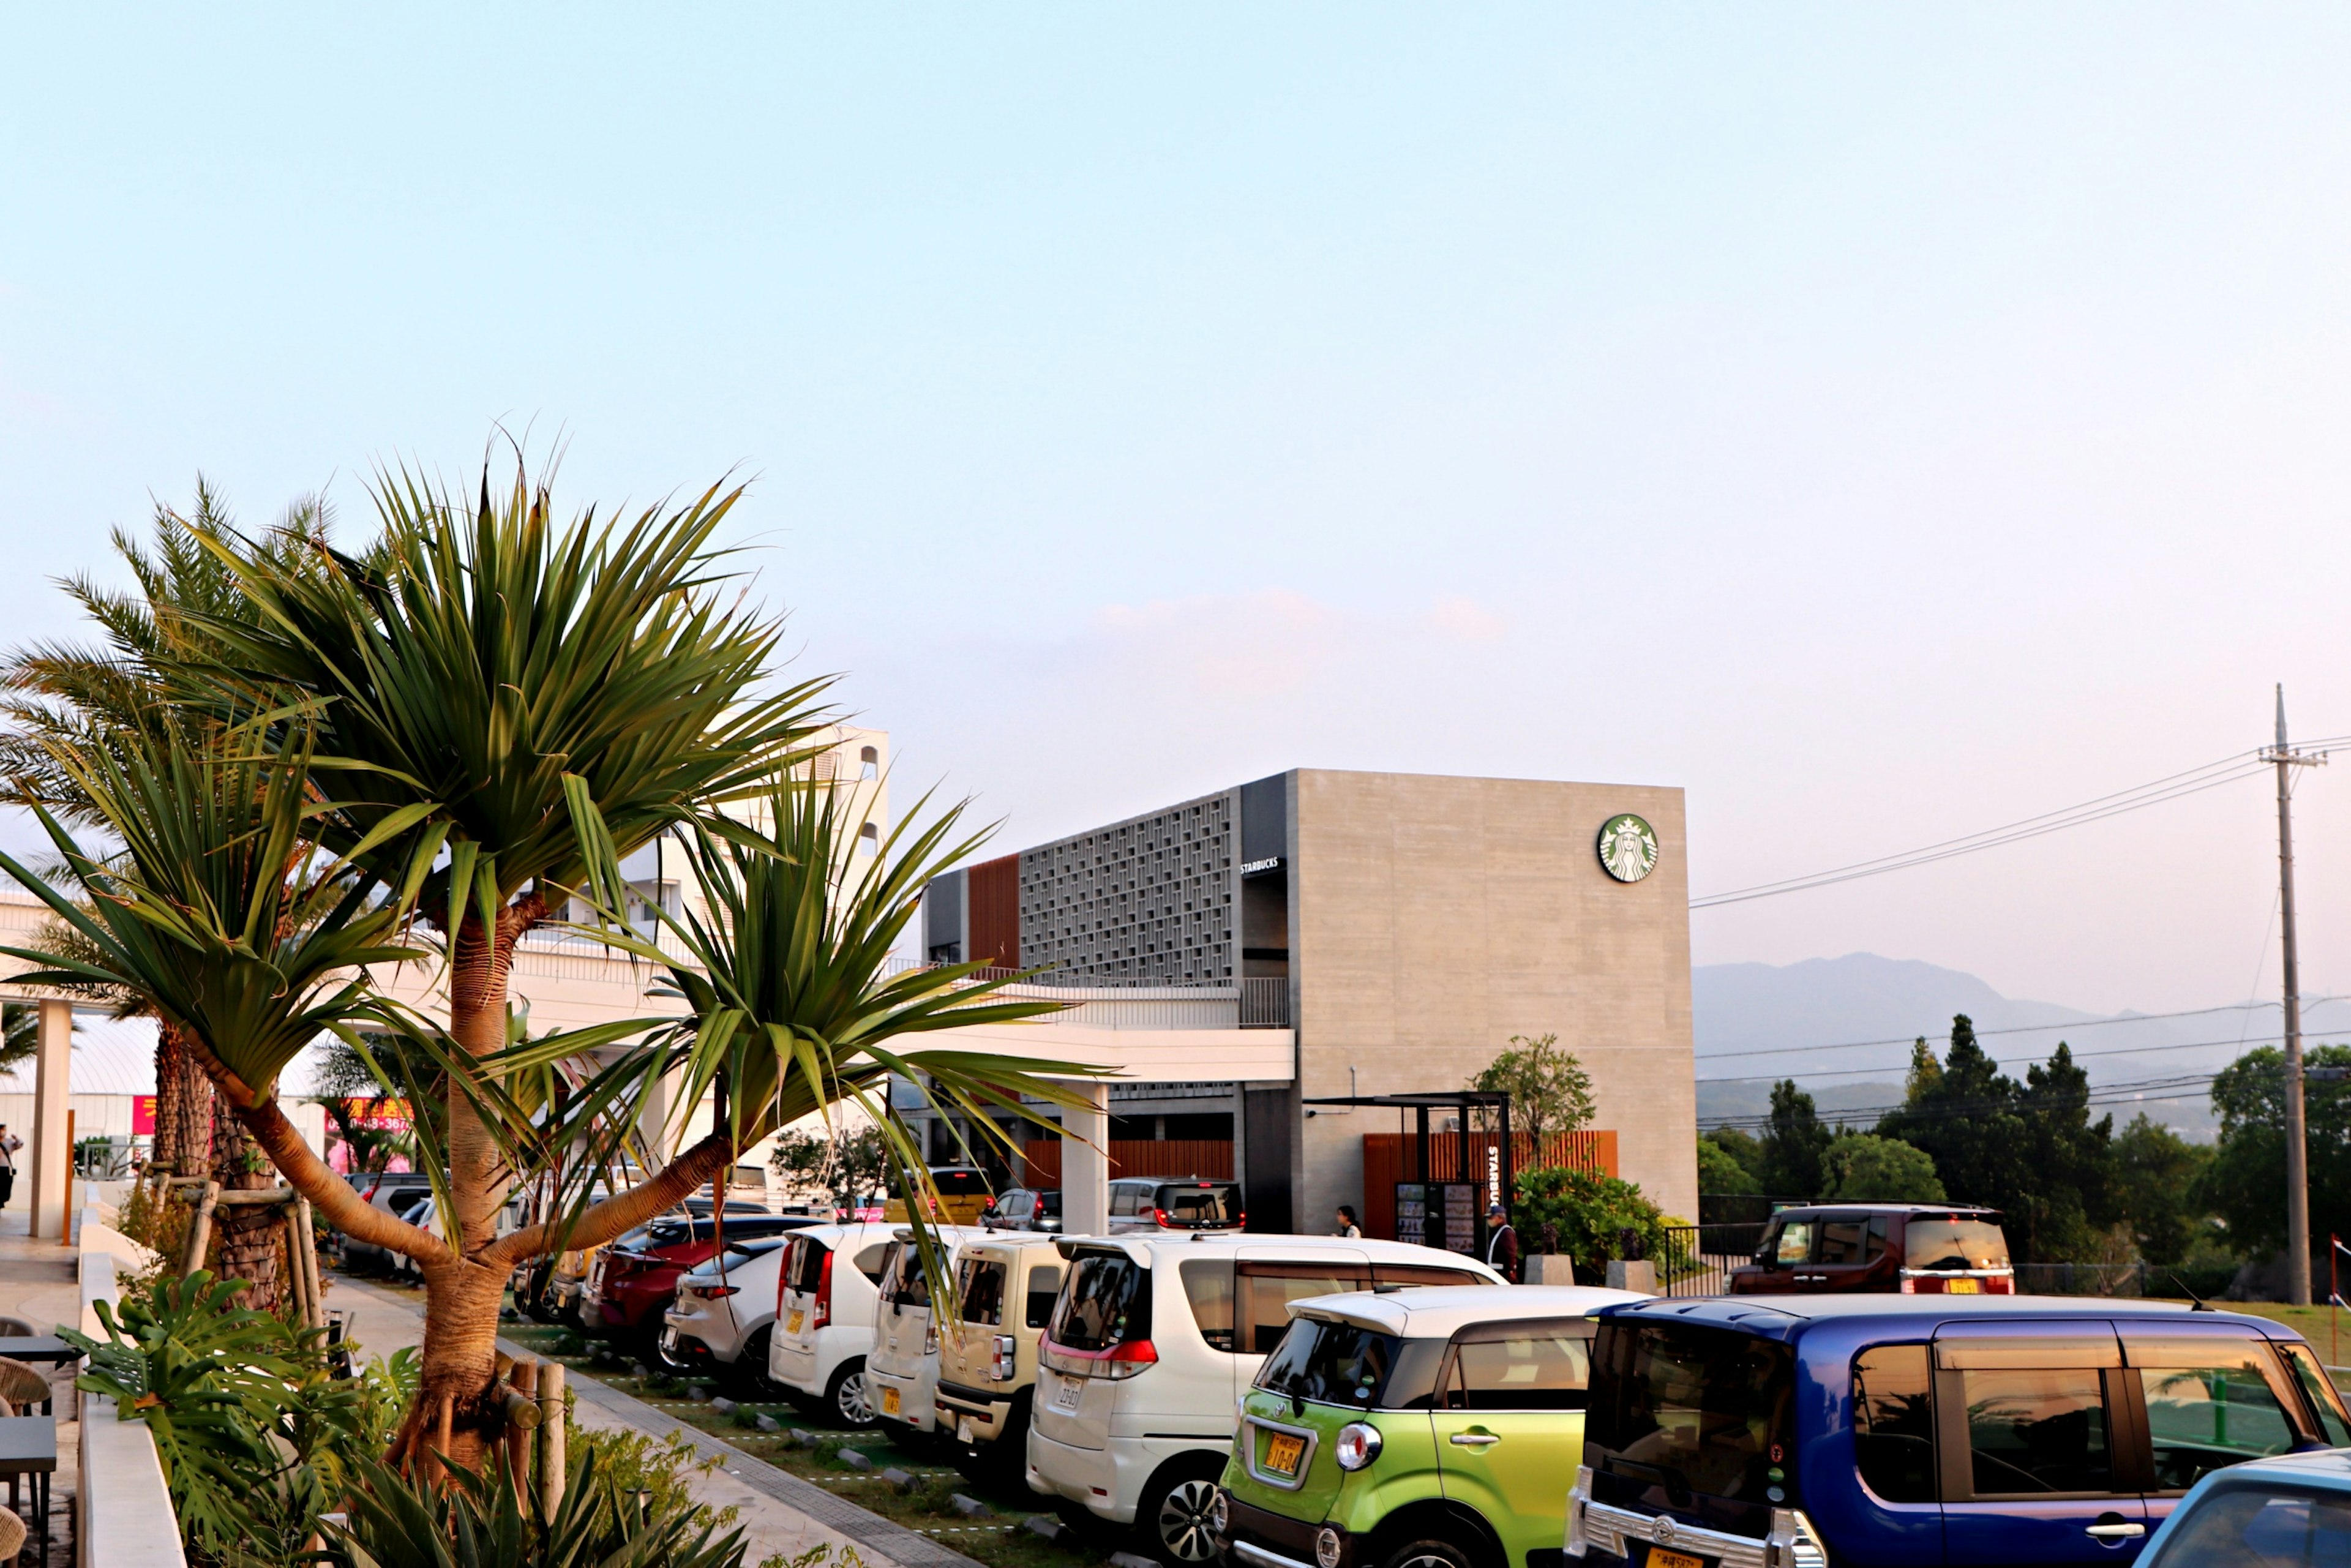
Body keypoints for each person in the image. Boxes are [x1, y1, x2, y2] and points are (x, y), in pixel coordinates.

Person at [1485, 1202, 1519, 1283]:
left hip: (1503, 1275)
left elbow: (1510, 1254)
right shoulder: (1497, 1231)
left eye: (1491, 1218)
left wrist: (1511, 1271)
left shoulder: (1506, 1233)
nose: (1489, 1220)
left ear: (1500, 1218)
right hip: (1495, 1273)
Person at [0, 1125, 20, 1210]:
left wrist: (16, 1139)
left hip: (6, 1169)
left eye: (4, 1130)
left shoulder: (9, 1142)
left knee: (5, 1188)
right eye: (2, 1130)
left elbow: (19, 1145)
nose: (3, 1132)